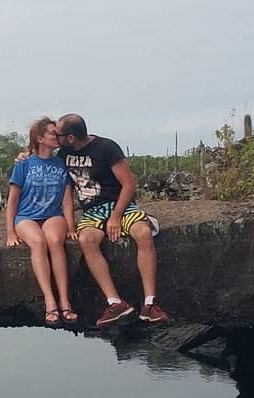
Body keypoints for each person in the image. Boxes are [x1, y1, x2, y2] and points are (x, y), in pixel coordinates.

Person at [53, 113, 169, 326]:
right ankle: (115, 303)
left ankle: (150, 304)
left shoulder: (106, 148)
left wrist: (115, 216)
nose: (55, 136)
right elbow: (39, 154)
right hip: (92, 211)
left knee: (143, 233)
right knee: (86, 240)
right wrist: (24, 156)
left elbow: (129, 184)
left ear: (70, 137)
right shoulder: (63, 153)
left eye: (58, 134)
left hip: (120, 206)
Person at [6, 117, 78, 326]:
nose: (57, 137)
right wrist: (10, 232)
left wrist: (71, 227)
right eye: (52, 133)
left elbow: (66, 199)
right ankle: (49, 301)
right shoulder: (24, 164)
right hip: (26, 216)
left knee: (55, 240)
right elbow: (12, 201)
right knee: (38, 242)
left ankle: (65, 300)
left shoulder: (61, 163)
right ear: (40, 138)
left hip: (52, 215)